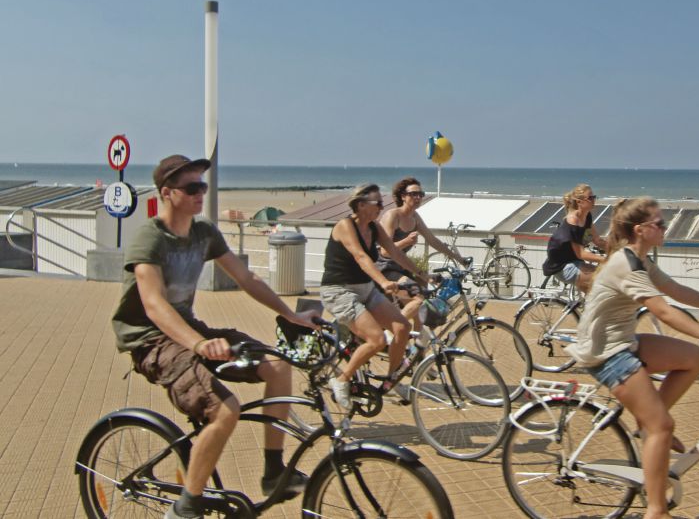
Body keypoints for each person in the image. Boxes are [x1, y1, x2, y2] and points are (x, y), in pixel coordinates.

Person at [111, 155, 319, 519]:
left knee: (278, 366)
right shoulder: (149, 238)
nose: (200, 193)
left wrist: (290, 315)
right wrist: (197, 344)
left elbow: (247, 278)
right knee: (225, 410)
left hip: (188, 329)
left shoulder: (203, 232)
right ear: (167, 193)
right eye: (192, 188)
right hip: (151, 339)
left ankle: (274, 473)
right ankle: (186, 506)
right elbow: (155, 305)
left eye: (202, 186)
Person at [567, 197, 699, 519]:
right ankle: (656, 510)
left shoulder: (641, 260)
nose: (665, 228)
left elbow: (676, 291)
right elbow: (663, 310)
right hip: (606, 353)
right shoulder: (626, 264)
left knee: (692, 358)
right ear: (640, 230)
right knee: (662, 427)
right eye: (660, 224)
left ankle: (647, 425)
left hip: (623, 341)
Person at [320, 183, 429, 409]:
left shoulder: (375, 228)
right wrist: (383, 282)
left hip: (365, 288)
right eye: (377, 202)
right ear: (361, 205)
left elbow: (395, 253)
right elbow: (361, 257)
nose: (381, 206)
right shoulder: (345, 225)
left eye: (382, 202)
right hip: (340, 291)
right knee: (377, 340)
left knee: (402, 327)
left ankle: (392, 381)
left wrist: (421, 275)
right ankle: (341, 380)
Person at [376, 177, 468, 324]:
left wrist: (459, 259)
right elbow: (384, 252)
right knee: (418, 297)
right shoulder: (393, 215)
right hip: (383, 267)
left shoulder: (415, 217)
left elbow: (433, 240)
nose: (418, 197)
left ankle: (418, 341)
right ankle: (394, 330)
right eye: (413, 194)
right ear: (403, 197)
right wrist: (406, 241)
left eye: (420, 194)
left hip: (401, 265)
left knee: (424, 298)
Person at [542, 183, 608, 292]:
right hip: (562, 267)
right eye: (590, 198)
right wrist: (606, 260)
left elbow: (598, 240)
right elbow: (581, 253)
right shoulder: (573, 221)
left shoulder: (587, 217)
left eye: (594, 197)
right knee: (604, 279)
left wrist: (618, 251)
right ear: (579, 202)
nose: (593, 200)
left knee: (597, 294)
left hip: (575, 262)